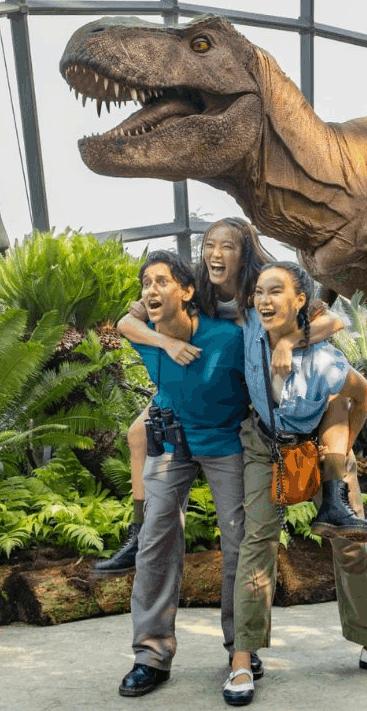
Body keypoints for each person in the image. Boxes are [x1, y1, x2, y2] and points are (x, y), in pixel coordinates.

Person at [224, 261, 367, 706]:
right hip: (264, 445)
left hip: (318, 448)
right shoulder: (252, 326)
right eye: (259, 291)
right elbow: (336, 317)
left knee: (352, 543)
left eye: (276, 292)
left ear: (299, 302)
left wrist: (344, 449)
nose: (264, 300)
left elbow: (362, 394)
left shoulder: (326, 360)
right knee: (258, 542)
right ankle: (242, 658)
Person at [98, 218, 340, 574]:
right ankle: (138, 533)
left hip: (258, 380)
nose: (215, 253)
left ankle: (333, 499)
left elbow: (331, 321)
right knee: (138, 433)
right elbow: (127, 322)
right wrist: (168, 341)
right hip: (207, 374)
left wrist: (289, 341)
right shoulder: (196, 284)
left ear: (244, 253)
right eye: (210, 244)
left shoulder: (263, 285)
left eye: (227, 246)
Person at [116, 250, 249, 698]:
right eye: (145, 283)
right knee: (154, 539)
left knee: (237, 542)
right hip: (172, 443)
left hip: (225, 443)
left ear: (187, 291)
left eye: (161, 282)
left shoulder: (227, 340)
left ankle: (241, 649)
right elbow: (124, 324)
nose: (151, 290)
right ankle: (150, 656)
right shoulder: (147, 335)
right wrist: (166, 342)